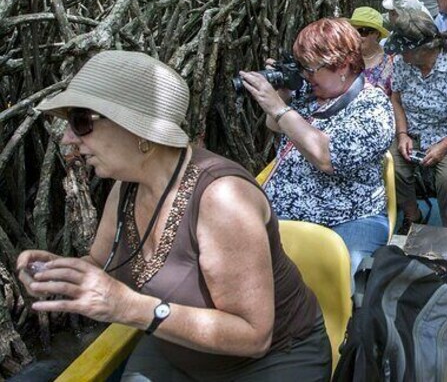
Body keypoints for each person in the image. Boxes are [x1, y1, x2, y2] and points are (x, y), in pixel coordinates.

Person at [19, 51, 331, 381]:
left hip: (269, 362)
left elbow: (254, 337)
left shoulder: (223, 200)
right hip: (179, 350)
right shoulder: (126, 187)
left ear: (139, 131)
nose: (68, 138)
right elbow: (100, 265)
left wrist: (128, 307)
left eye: (81, 122)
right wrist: (56, 275)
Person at [243, 19, 395, 276]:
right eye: (301, 68)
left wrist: (279, 108)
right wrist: (282, 93)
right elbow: (275, 124)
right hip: (286, 211)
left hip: (347, 217)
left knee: (326, 278)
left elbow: (327, 158)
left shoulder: (374, 107)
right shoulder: (310, 94)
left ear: (343, 66)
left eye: (311, 69)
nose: (305, 76)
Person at [387, 10, 447, 232]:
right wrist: (402, 134)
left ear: (423, 49)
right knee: (393, 165)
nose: (400, 55)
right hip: (413, 129)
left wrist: (445, 144)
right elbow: (396, 98)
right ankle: (413, 215)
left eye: (404, 50)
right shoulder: (403, 63)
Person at [349, 7, 393, 96]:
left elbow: (382, 95)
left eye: (361, 32)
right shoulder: (347, 55)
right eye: (353, 31)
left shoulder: (388, 61)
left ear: (376, 33)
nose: (356, 37)